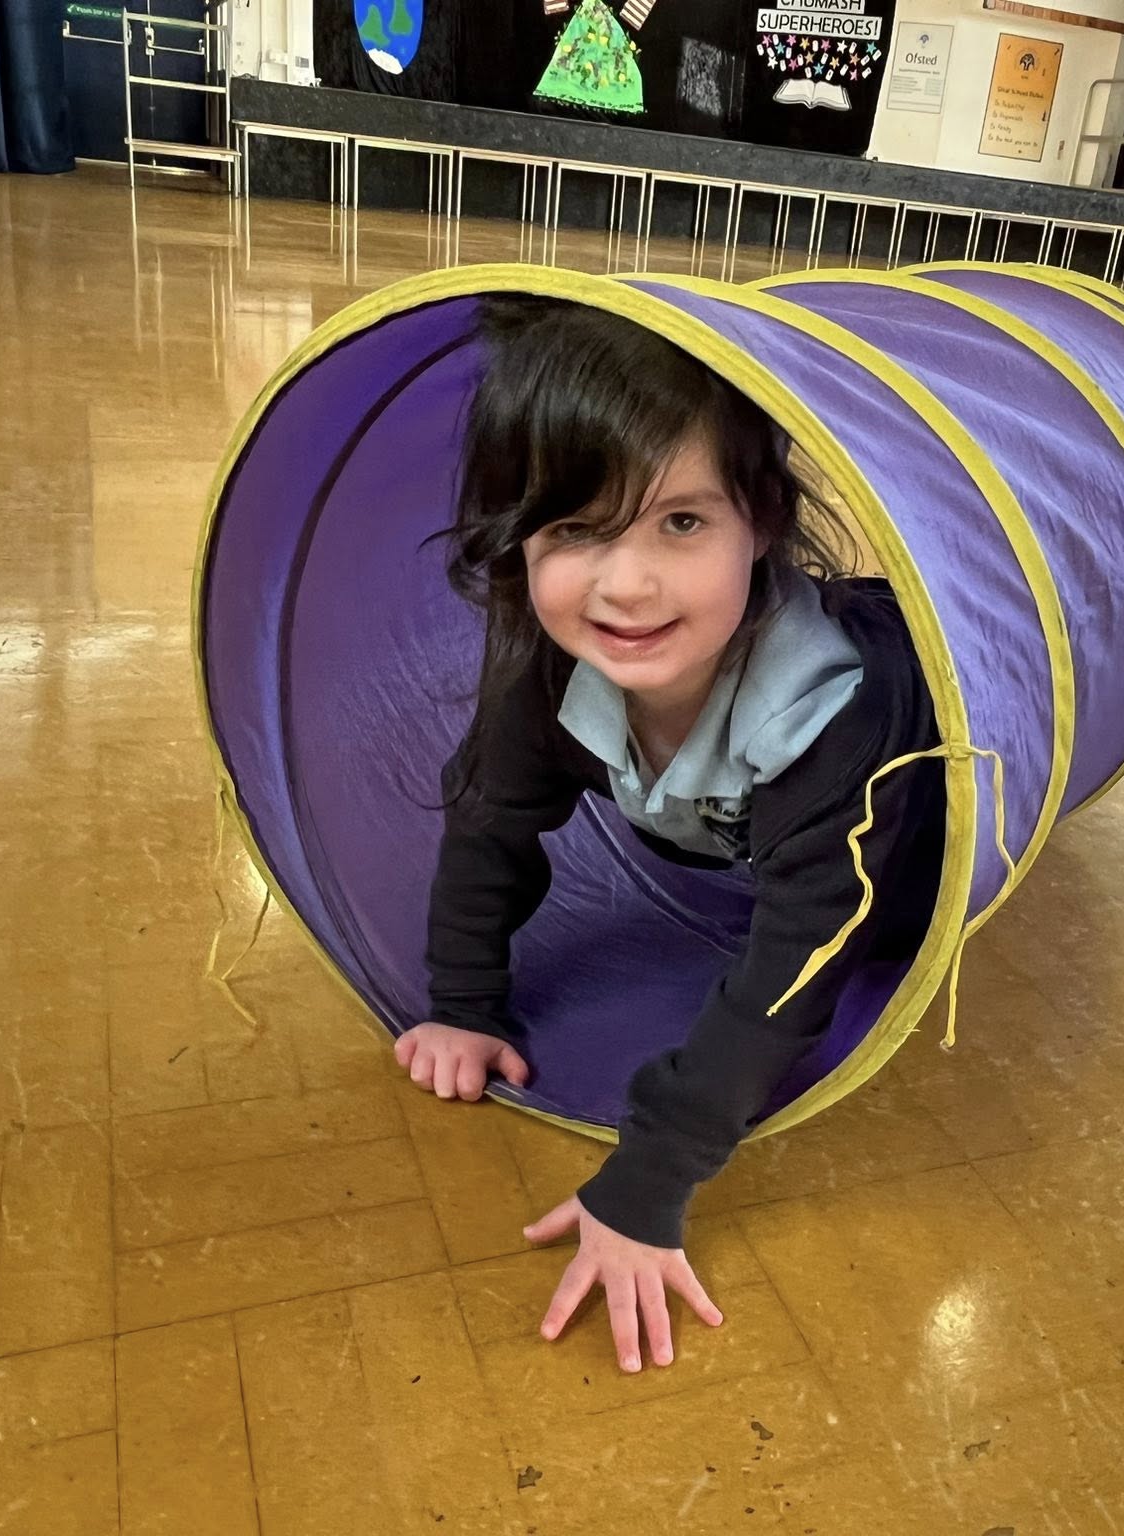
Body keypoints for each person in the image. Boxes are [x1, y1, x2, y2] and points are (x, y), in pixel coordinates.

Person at [392, 297, 945, 1374]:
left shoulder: (829, 715)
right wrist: (460, 1005)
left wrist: (651, 1178)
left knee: (864, 925)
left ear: (763, 524)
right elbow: (487, 822)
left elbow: (800, 959)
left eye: (680, 523)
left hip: (904, 856)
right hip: (730, 834)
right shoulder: (553, 664)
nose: (627, 584)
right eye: (574, 530)